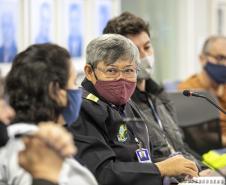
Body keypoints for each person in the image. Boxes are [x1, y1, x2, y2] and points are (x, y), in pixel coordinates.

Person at [70, 34, 199, 185]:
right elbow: (102, 174)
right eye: (111, 71)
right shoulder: (81, 109)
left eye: (129, 70)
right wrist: (160, 169)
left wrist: (176, 171)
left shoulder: (125, 102)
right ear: (89, 72)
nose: (121, 78)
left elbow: (144, 157)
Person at [103, 12, 206, 171]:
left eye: (147, 47)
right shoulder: (118, 107)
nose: (145, 56)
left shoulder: (159, 96)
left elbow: (181, 147)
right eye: (135, 51)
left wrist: (204, 169)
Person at [0, 43, 98, 185]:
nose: (77, 90)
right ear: (55, 90)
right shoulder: (40, 154)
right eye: (73, 81)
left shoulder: (9, 141)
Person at [178, 36, 226, 146]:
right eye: (220, 58)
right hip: (210, 153)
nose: (225, 64)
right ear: (202, 59)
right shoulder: (188, 90)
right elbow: (198, 137)